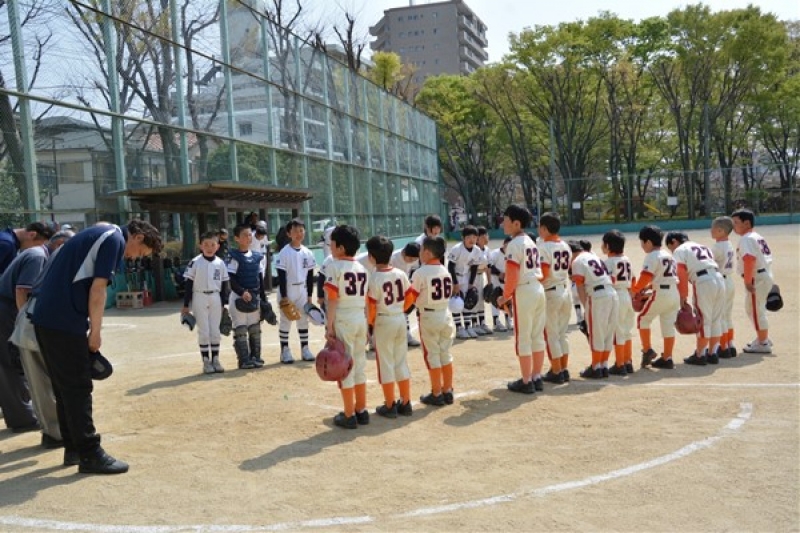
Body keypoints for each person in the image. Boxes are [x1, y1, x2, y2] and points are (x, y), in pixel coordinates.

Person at [32, 220, 162, 474]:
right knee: (78, 387)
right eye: (140, 252)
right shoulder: (114, 239)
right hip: (64, 320)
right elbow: (98, 289)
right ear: (137, 237)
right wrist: (96, 332)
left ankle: (73, 448)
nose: (134, 257)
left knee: (64, 388)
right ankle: (90, 454)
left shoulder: (100, 231)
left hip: (47, 318)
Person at [0, 230, 72, 436]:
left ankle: (19, 413)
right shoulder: (38, 257)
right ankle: (23, 417)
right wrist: (23, 322)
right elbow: (22, 291)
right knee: (12, 363)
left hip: (6, 306)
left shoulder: (36, 254)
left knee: (8, 363)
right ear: (60, 245)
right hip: (7, 308)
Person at [496, 204, 546, 394]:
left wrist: (505, 296)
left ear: (516, 224)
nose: (503, 224)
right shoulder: (531, 242)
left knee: (523, 338)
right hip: (537, 288)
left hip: (524, 291)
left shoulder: (514, 244)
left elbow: (512, 275)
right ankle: (536, 377)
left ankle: (526, 381)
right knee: (537, 335)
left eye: (506, 220)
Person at [323, 225, 369, 429]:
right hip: (359, 318)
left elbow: (333, 299)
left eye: (332, 244)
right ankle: (362, 410)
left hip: (344, 319)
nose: (330, 247)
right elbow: (365, 300)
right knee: (358, 365)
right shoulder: (362, 268)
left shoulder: (334, 267)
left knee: (344, 367)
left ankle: (349, 414)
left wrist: (329, 326)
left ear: (341, 248)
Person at [405, 236, 456, 407]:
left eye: (421, 250)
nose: (420, 253)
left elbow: (411, 298)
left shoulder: (420, 272)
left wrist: (401, 309)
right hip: (445, 314)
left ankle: (436, 393)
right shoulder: (445, 270)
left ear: (427, 252)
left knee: (432, 355)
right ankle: (447, 390)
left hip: (429, 316)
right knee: (445, 353)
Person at [366, 236, 413, 419]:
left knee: (385, 363)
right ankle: (406, 402)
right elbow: (410, 298)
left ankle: (389, 404)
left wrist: (370, 325)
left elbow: (371, 307)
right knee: (401, 360)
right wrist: (400, 310)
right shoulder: (400, 273)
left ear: (371, 257)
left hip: (383, 320)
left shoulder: (374, 278)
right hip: (400, 318)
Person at [665, 231, 725, 366]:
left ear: (674, 241)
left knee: (703, 319)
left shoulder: (680, 250)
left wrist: (683, 296)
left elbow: (681, 273)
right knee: (716, 319)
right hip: (719, 279)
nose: (672, 251)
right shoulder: (703, 247)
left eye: (670, 247)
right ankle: (713, 353)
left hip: (703, 281)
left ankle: (700, 354)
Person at [631, 225, 680, 370]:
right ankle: (667, 357)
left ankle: (647, 350)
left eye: (642, 242)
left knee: (642, 319)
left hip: (660, 294)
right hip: (673, 293)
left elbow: (646, 276)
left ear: (648, 242)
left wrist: (635, 290)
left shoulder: (652, 256)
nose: (642, 246)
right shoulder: (668, 255)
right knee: (668, 325)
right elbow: (663, 276)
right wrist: (647, 288)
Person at [182, 232, 231, 374]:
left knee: (215, 330)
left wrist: (224, 303)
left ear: (218, 246)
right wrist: (186, 305)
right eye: (206, 245)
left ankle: (215, 359)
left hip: (215, 297)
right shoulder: (195, 262)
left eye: (212, 244)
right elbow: (188, 284)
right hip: (199, 296)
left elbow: (225, 284)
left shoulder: (220, 263)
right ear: (200, 246)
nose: (209, 247)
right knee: (204, 331)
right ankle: (206, 361)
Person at [571, 240, 619, 379]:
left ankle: (595, 367)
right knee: (608, 332)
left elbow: (580, 286)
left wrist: (586, 305)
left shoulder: (577, 261)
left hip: (597, 296)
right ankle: (604, 365)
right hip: (612, 293)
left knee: (596, 333)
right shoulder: (594, 257)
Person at [731, 208, 774, 354]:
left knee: (755, 310)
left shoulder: (747, 239)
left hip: (757, 277)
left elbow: (749, 260)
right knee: (754, 308)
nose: (733, 226)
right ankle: (763, 337)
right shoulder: (756, 236)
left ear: (747, 223)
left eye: (736, 222)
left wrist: (748, 281)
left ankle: (763, 342)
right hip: (764, 274)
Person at [537, 213, 573, 385]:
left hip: (551, 292)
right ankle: (563, 368)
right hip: (565, 290)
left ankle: (556, 370)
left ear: (544, 228)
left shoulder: (544, 247)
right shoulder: (565, 245)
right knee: (562, 333)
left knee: (551, 334)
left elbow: (543, 274)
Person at [275, 218, 317, 364]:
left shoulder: (308, 253)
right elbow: (281, 277)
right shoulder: (284, 252)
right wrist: (284, 296)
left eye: (301, 230)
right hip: (288, 289)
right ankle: (285, 350)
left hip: (302, 290)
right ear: (289, 234)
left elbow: (310, 276)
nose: (299, 234)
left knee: (303, 319)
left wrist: (310, 296)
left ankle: (305, 348)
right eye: (295, 231)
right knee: (286, 320)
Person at [227, 223, 266, 369]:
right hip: (239, 297)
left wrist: (264, 300)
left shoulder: (257, 256)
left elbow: (260, 279)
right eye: (244, 235)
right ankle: (243, 360)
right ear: (237, 238)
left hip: (254, 297)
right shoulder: (233, 256)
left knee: (255, 328)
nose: (248, 237)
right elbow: (230, 278)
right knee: (241, 329)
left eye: (250, 234)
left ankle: (256, 357)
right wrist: (242, 292)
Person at [602, 230, 636, 375]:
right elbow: (633, 279)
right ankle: (628, 361)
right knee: (626, 330)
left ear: (608, 246)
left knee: (618, 332)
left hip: (616, 295)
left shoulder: (608, 262)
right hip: (626, 295)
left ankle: (620, 363)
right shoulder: (626, 260)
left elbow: (610, 279)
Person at [448, 225, 482, 339]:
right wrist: (455, 283)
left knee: (468, 301)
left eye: (474, 237)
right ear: (463, 238)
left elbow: (474, 268)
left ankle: (468, 327)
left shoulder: (477, 250)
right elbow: (450, 266)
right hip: (455, 277)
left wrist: (471, 283)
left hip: (466, 277)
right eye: (468, 237)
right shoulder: (457, 249)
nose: (472, 239)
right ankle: (459, 328)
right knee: (456, 303)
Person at [710, 216, 737, 358]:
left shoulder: (717, 247)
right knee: (727, 315)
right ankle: (730, 344)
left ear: (721, 231)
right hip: (729, 280)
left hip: (720, 280)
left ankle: (723, 346)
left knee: (719, 316)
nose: (711, 231)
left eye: (713, 228)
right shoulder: (729, 244)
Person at [390, 242, 422, 347]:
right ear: (404, 253)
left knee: (405, 312)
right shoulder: (393, 258)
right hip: (391, 290)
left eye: (414, 259)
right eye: (410, 259)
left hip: (405, 287)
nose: (412, 261)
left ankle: (407, 336)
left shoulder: (415, 259)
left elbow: (414, 271)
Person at [488, 237, 513, 332]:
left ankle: (508, 320)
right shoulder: (495, 253)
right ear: (503, 243)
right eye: (507, 245)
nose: (508, 247)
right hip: (496, 280)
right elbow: (489, 266)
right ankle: (496, 321)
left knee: (508, 300)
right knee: (495, 300)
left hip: (507, 281)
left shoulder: (512, 254)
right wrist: (499, 273)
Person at [472, 226, 494, 334]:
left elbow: (488, 267)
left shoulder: (487, 250)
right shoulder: (473, 250)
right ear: (478, 238)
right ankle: (474, 324)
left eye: (487, 235)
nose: (487, 237)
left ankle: (482, 323)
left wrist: (489, 282)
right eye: (484, 235)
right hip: (472, 277)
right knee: (474, 299)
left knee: (481, 300)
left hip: (481, 277)